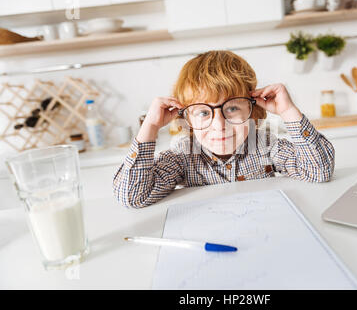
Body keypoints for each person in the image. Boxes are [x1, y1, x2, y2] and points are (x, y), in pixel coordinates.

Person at [113, 50, 335, 208]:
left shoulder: (266, 146)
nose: (219, 125)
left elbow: (318, 172)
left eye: (231, 108)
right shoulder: (182, 156)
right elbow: (132, 197)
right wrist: (150, 126)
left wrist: (288, 111)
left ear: (251, 107)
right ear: (186, 117)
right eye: (203, 112)